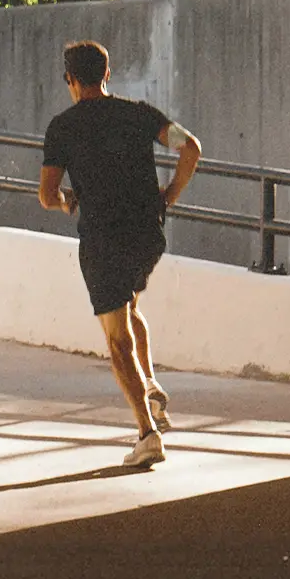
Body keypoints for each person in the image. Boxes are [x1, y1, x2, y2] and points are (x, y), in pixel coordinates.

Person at [39, 41, 202, 468]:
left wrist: (66, 201)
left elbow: (46, 194)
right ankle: (149, 384)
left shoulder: (62, 127)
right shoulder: (140, 114)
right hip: (148, 237)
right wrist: (171, 194)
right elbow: (191, 148)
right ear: (107, 74)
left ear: (70, 80)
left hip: (102, 238)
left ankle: (148, 434)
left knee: (116, 339)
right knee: (128, 305)